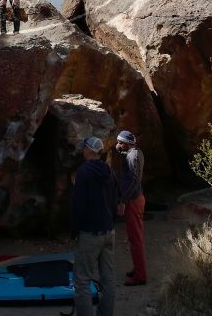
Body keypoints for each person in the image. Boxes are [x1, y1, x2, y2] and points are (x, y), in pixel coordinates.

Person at [70, 137, 118, 316]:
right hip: (108, 230)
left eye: (83, 148)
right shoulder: (109, 170)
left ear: (89, 150)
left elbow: (78, 204)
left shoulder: (83, 172)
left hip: (90, 232)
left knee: (82, 280)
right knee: (108, 279)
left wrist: (74, 230)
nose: (82, 151)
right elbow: (114, 200)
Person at [116, 130, 147, 286]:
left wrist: (123, 200)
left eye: (120, 142)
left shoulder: (132, 156)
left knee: (135, 239)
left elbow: (134, 180)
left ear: (126, 143)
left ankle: (140, 276)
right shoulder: (136, 152)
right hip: (137, 198)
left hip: (133, 200)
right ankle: (137, 269)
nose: (118, 145)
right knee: (134, 237)